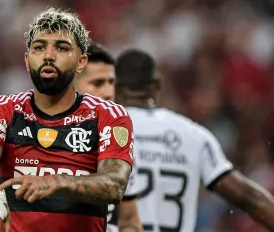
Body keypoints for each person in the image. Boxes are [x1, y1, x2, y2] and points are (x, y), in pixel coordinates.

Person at [0, 8, 135, 232]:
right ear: (27, 60)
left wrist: (55, 182)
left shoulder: (108, 116)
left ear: (81, 62)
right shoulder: (3, 110)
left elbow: (115, 184)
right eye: (39, 47)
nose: (48, 55)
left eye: (62, 48)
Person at [114, 49, 274, 232]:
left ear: (114, 86)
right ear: (157, 84)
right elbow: (249, 197)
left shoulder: (102, 131)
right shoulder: (194, 135)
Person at [74, 42, 142, 232]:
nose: (108, 92)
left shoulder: (119, 141)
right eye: (98, 83)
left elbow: (129, 220)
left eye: (111, 82)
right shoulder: (40, 135)